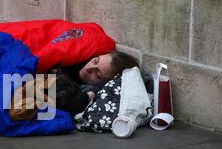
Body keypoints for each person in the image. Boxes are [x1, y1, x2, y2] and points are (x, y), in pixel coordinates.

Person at [9, 52, 139, 121]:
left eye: (97, 75)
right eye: (95, 61)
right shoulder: (71, 57)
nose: (89, 68)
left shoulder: (70, 87)